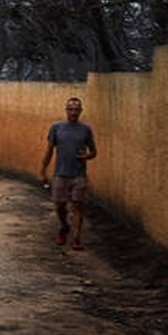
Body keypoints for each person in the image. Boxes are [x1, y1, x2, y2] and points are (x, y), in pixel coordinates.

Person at [39, 97, 97, 251]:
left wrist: (86, 156)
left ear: (81, 111)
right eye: (70, 109)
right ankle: (64, 226)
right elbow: (49, 150)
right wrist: (43, 171)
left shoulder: (86, 129)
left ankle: (76, 238)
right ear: (66, 110)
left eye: (76, 109)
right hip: (60, 174)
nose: (73, 112)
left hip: (79, 175)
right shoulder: (57, 127)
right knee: (60, 206)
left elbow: (93, 152)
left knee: (78, 206)